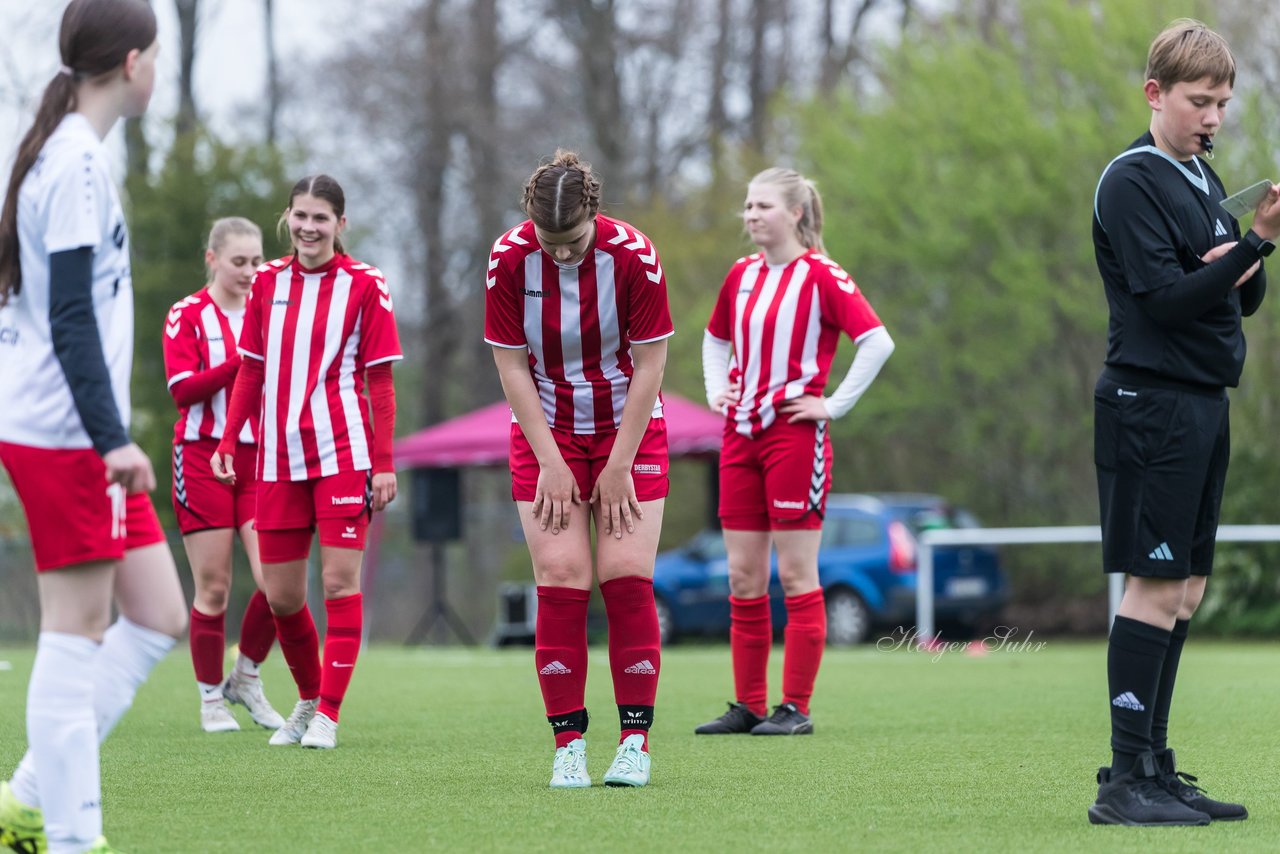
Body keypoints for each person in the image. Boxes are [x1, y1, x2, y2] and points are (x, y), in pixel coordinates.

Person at [0, 2, 188, 852]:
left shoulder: (66, 152)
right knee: (73, 635)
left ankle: (27, 799)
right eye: (159, 58)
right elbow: (71, 318)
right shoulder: (73, 160)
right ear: (134, 61)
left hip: (66, 428)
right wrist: (112, 436)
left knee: (157, 616)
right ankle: (70, 838)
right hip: (67, 435)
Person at [1087, 18, 1279, 827]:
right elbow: (1165, 303)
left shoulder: (1202, 177)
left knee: (1190, 588)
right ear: (1155, 93)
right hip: (1151, 403)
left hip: (1203, 402)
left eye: (1224, 104)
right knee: (1156, 582)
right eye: (1200, 102)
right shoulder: (1131, 180)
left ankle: (1156, 767)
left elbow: (1240, 296)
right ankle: (1123, 780)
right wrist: (1253, 244)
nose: (1212, 118)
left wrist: (1243, 258)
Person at [485, 150, 672, 788]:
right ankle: (567, 744)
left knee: (624, 575)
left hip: (630, 429)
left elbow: (650, 363)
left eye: (575, 243)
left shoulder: (635, 256)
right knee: (562, 574)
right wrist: (551, 460)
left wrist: (618, 465)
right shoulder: (507, 259)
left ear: (595, 215)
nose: (562, 255)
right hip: (547, 430)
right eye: (551, 244)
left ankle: (634, 744)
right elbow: (512, 366)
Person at [695, 167, 894, 737]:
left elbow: (878, 341)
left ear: (796, 214)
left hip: (793, 435)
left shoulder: (822, 276)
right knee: (742, 575)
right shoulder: (740, 276)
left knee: (797, 575)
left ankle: (795, 708)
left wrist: (832, 405)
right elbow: (714, 338)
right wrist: (716, 390)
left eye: (762, 206)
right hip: (740, 434)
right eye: (747, 206)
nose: (751, 215)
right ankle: (748, 705)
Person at [212, 174, 401, 751]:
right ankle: (310, 699)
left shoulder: (366, 284)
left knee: (340, 584)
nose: (309, 227)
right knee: (282, 596)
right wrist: (228, 440)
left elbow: (380, 382)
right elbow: (251, 368)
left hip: (343, 454)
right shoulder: (267, 281)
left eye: (321, 218)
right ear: (287, 218)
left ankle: (329, 716)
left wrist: (385, 463)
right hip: (276, 460)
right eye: (301, 216)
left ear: (340, 225)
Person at [163, 217, 285, 734]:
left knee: (278, 583)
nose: (250, 271)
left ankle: (247, 675)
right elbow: (182, 389)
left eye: (257, 261)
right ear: (212, 259)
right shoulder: (186, 315)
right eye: (239, 262)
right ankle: (210, 698)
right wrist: (242, 362)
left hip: (261, 460)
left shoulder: (272, 308)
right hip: (201, 455)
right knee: (212, 587)